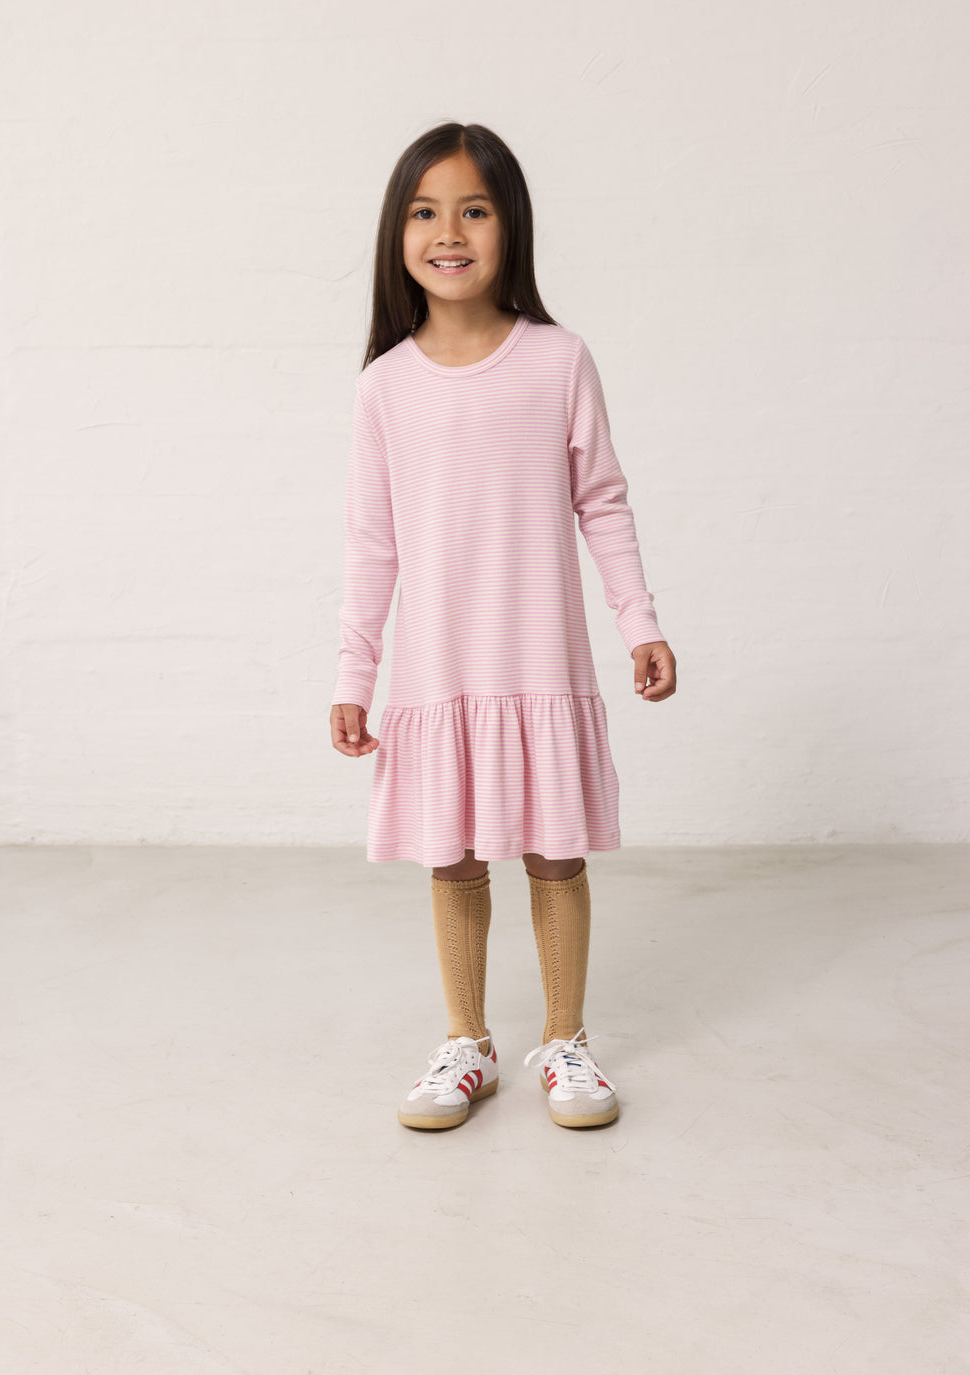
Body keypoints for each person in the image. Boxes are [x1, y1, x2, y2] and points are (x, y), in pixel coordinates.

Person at [329, 121, 677, 1132]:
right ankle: (467, 1041)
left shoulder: (557, 361)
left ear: (510, 225)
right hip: (438, 666)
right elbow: (372, 543)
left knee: (554, 850)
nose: (449, 232)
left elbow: (601, 499)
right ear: (397, 234)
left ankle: (565, 1039)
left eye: (473, 209)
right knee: (453, 854)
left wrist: (639, 622)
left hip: (540, 657)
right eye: (425, 212)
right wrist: (353, 674)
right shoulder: (385, 385)